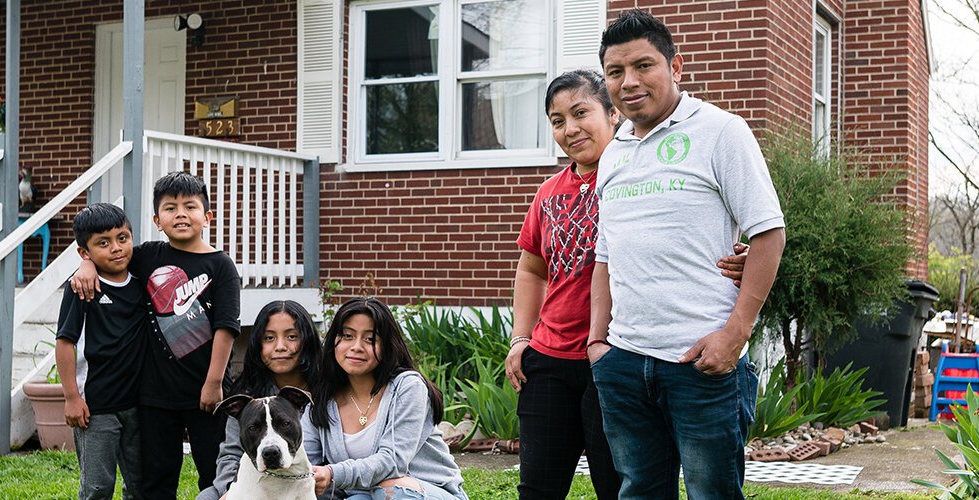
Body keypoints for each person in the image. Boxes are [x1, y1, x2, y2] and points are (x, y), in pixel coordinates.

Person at [506, 69, 751, 500]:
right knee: (537, 489)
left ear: (613, 114)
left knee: (622, 486)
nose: (570, 128)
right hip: (551, 358)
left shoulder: (642, 174)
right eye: (558, 120)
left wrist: (742, 254)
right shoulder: (547, 193)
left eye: (581, 112)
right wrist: (520, 337)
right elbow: (532, 269)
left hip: (623, 354)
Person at [587, 10, 786, 499]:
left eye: (643, 66)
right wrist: (598, 345)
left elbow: (768, 232)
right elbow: (606, 254)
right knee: (639, 491)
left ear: (676, 67)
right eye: (615, 72)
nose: (628, 82)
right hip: (625, 362)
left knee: (712, 493)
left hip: (701, 362)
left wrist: (735, 334)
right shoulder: (613, 152)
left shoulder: (721, 131)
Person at [72, 171, 243, 498]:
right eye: (170, 208)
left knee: (216, 474)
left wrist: (214, 382)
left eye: (190, 206)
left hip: (206, 393)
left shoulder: (221, 266)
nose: (180, 214)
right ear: (157, 220)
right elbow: (108, 253)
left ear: (207, 217)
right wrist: (86, 267)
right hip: (154, 396)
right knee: (156, 481)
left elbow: (226, 326)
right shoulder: (148, 256)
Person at [304, 297, 467, 500]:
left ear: (387, 345)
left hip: (423, 492)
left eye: (370, 339)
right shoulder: (321, 401)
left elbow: (393, 462)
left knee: (393, 489)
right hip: (365, 496)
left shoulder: (407, 387)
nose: (356, 346)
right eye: (347, 336)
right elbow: (306, 465)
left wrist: (333, 473)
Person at [56, 203, 149, 500]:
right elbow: (65, 343)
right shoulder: (83, 288)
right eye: (103, 243)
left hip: (138, 404)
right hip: (96, 409)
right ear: (85, 253)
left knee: (140, 485)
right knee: (97, 488)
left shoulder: (141, 283)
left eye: (123, 238)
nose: (117, 248)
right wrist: (71, 397)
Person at [197, 300, 322, 500]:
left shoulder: (325, 392)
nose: (280, 346)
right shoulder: (247, 398)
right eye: (269, 338)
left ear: (307, 340)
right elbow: (230, 454)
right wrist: (231, 489)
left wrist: (329, 475)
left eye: (291, 336)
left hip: (310, 485)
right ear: (257, 344)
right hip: (254, 485)